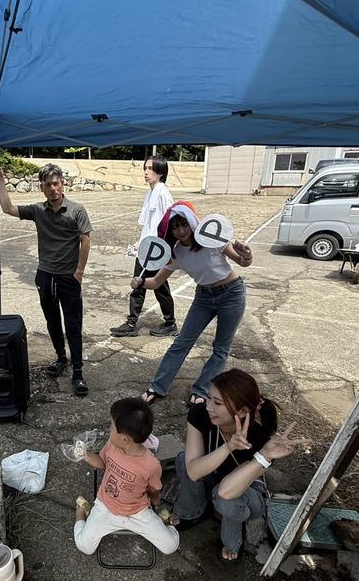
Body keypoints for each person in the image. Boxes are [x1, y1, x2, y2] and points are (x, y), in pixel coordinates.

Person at [167, 368, 300, 561]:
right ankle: (193, 511)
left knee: (225, 500)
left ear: (243, 411)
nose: (209, 407)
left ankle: (232, 539)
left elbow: (227, 491)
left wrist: (264, 454)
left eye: (217, 403)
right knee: (183, 460)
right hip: (214, 471)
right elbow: (194, 471)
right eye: (209, 398)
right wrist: (228, 446)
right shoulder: (199, 413)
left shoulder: (260, 431)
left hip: (242, 487)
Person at [133, 200, 253, 406]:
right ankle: (157, 387)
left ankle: (202, 389)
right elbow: (156, 282)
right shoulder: (177, 252)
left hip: (232, 294)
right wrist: (141, 281)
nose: (180, 231)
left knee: (220, 348)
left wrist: (247, 253)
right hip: (204, 297)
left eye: (184, 224)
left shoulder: (211, 239)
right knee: (181, 343)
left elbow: (243, 262)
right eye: (175, 227)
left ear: (191, 222)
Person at [0, 160, 92, 397]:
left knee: (73, 324)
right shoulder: (38, 210)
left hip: (69, 277)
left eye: (56, 183)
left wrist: (79, 272)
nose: (53, 189)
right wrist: (0, 179)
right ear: (42, 188)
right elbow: (7, 208)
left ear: (62, 184)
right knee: (52, 321)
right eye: (48, 185)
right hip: (45, 275)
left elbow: (85, 240)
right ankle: (60, 358)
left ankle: (78, 371)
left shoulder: (77, 210)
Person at [73, 397, 180, 555]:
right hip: (106, 506)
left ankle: (166, 522)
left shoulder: (151, 465)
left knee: (170, 546)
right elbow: (102, 463)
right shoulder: (112, 445)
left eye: (111, 426)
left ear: (124, 438)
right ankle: (80, 512)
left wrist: (156, 502)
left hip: (138, 511)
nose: (109, 429)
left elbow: (154, 488)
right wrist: (86, 455)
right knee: (85, 547)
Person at [110, 156, 177, 338]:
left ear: (160, 172)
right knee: (139, 284)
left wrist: (164, 248)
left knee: (158, 286)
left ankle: (169, 323)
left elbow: (171, 221)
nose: (146, 172)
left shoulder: (163, 193)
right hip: (146, 248)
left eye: (150, 169)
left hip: (156, 250)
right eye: (145, 168)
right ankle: (132, 323)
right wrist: (139, 243)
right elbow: (148, 224)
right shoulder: (150, 193)